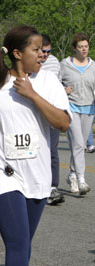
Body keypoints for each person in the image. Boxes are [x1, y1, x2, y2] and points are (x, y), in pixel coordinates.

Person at [0, 26, 71, 266]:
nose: (43, 54)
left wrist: (32, 95)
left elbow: (63, 123)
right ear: (18, 54)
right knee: (17, 244)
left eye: (43, 49)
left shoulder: (49, 81)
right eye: (37, 49)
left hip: (37, 173)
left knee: (24, 244)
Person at [60, 32, 95, 195]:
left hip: (89, 108)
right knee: (79, 144)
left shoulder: (93, 65)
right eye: (80, 47)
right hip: (71, 107)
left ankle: (72, 174)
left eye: (86, 46)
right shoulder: (65, 65)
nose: (84, 50)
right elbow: (54, 83)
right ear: (74, 48)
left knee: (78, 145)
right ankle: (81, 179)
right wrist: (62, 90)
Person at [40, 34, 64, 205]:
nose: (46, 55)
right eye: (43, 51)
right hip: (34, 113)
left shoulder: (55, 62)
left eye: (49, 51)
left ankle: (52, 187)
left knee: (52, 150)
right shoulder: (29, 61)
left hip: (52, 111)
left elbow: (59, 83)